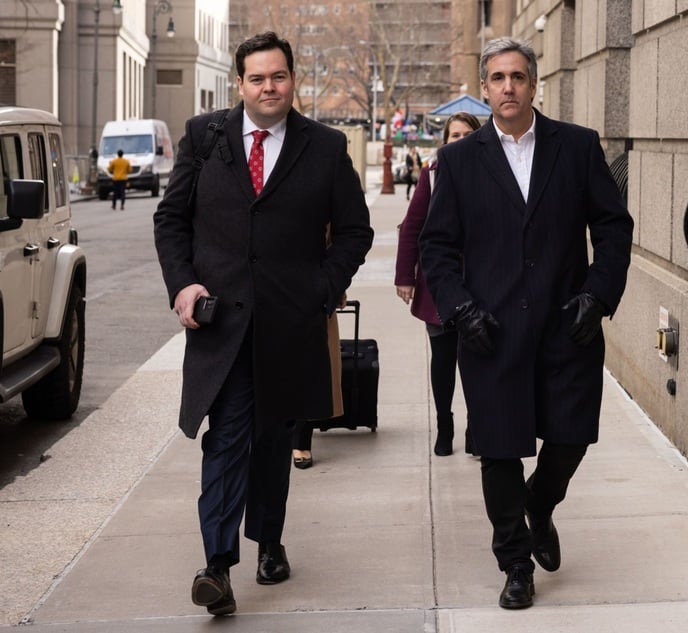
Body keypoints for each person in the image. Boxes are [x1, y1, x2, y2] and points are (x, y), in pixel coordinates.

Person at [153, 31, 373, 617]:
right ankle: (217, 568)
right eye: (257, 78)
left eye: (278, 77)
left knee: (274, 439)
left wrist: (322, 290)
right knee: (225, 437)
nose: (268, 87)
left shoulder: (324, 147)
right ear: (239, 83)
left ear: (292, 80)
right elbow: (171, 221)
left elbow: (356, 231)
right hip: (222, 324)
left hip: (289, 324)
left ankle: (269, 540)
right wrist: (183, 286)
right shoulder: (204, 138)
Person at [419, 37, 633, 610]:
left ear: (535, 84)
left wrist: (598, 294)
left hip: (569, 326)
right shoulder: (459, 161)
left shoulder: (579, 147)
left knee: (569, 437)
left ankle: (541, 504)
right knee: (499, 450)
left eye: (518, 76)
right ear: (485, 89)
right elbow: (436, 248)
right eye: (497, 78)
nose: (508, 87)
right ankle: (514, 561)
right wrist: (460, 310)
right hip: (490, 331)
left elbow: (614, 229)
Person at [395, 112, 481, 456]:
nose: (459, 140)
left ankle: (477, 427)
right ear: (445, 141)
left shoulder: (492, 172)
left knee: (478, 361)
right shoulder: (432, 174)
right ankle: (444, 425)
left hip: (480, 282)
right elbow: (411, 227)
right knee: (443, 359)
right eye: (453, 135)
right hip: (438, 284)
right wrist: (405, 276)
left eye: (466, 134)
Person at [292, 292, 346, 470]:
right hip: (265, 287)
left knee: (308, 366)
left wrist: (336, 286)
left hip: (310, 290)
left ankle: (301, 441)